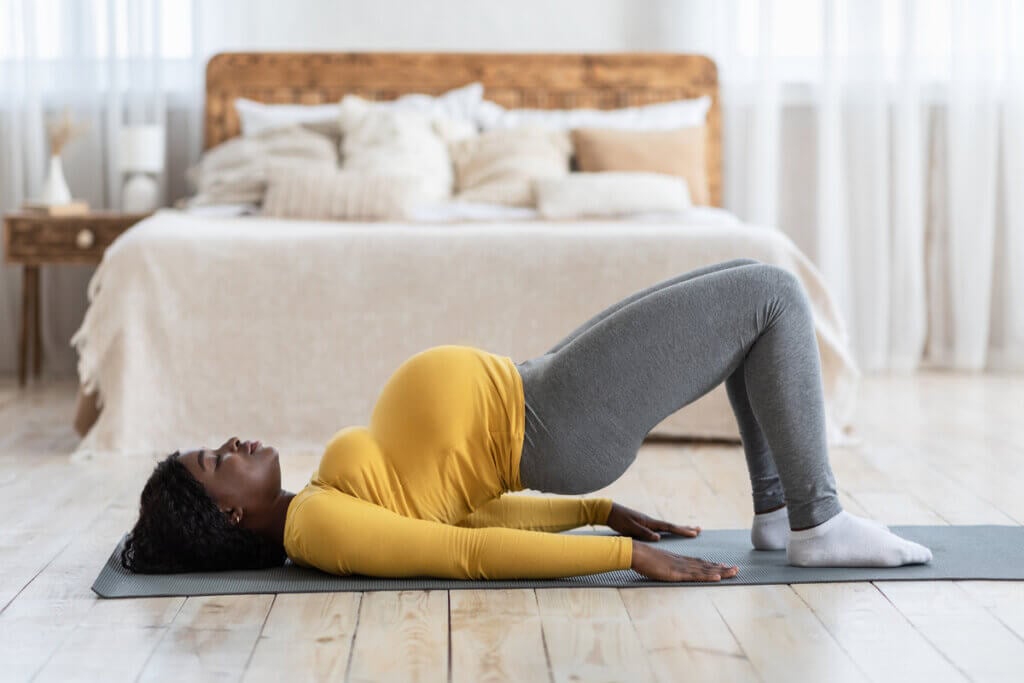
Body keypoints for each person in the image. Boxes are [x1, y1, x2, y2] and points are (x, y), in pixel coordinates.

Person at [120, 258, 932, 580]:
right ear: (229, 512)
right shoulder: (319, 528)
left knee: (752, 298)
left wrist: (594, 511)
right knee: (774, 296)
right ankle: (817, 520)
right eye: (215, 461)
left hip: (542, 387)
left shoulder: (323, 495)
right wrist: (620, 558)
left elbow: (468, 504)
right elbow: (463, 550)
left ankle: (778, 512)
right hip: (551, 416)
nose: (231, 445)